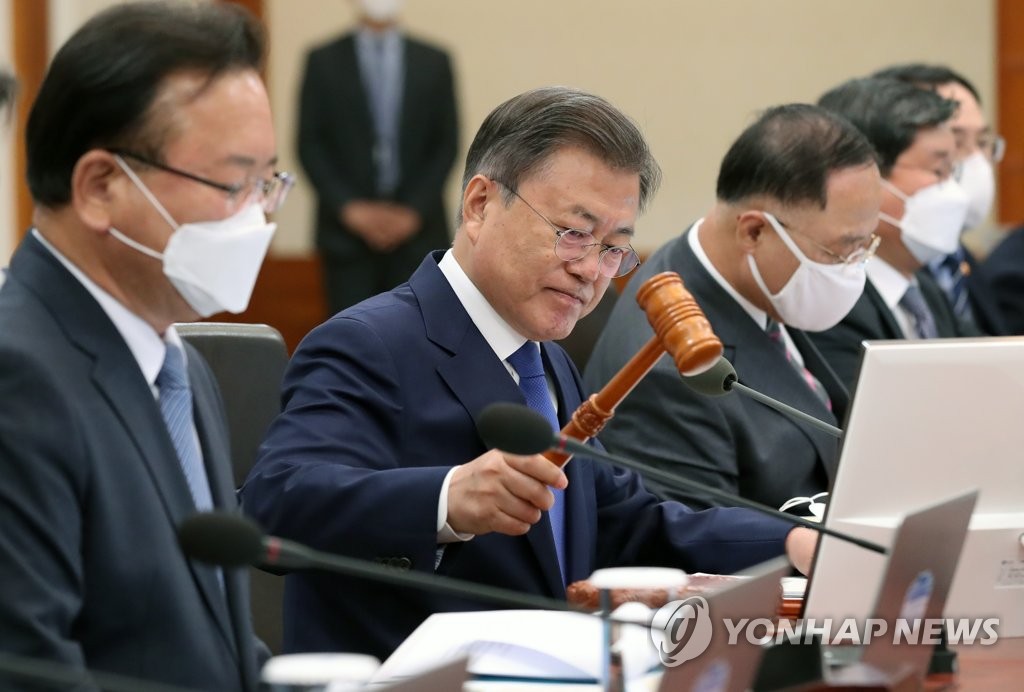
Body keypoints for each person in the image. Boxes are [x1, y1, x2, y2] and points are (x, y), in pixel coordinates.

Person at [241, 86, 817, 660]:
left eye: (614, 248)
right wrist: (445, 500)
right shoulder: (368, 342)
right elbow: (275, 501)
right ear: (480, 205)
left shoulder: (548, 360)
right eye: (573, 233)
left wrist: (794, 541)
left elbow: (626, 520)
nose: (591, 271)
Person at [0, 2, 291, 689]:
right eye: (233, 183)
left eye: (267, 183)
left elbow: (215, 642)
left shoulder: (181, 366)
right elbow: (33, 671)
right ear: (100, 187)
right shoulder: (18, 379)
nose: (256, 215)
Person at [584, 105, 880, 512]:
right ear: (754, 232)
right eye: (843, 250)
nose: (855, 267)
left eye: (866, 245)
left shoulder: (765, 283)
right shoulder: (671, 371)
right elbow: (701, 538)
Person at [809, 77, 979, 391]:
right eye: (938, 171)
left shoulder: (926, 288)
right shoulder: (829, 301)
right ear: (864, 175)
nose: (954, 192)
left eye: (952, 173)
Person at [298, 0, 458, 315]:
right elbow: (310, 144)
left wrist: (412, 211)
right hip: (346, 239)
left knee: (419, 330)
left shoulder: (434, 60)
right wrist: (350, 208)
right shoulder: (323, 60)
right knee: (348, 331)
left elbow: (445, 145)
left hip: (417, 236)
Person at [873, 63, 1008, 336]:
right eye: (956, 142)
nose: (976, 160)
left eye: (982, 142)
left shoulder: (958, 259)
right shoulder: (882, 270)